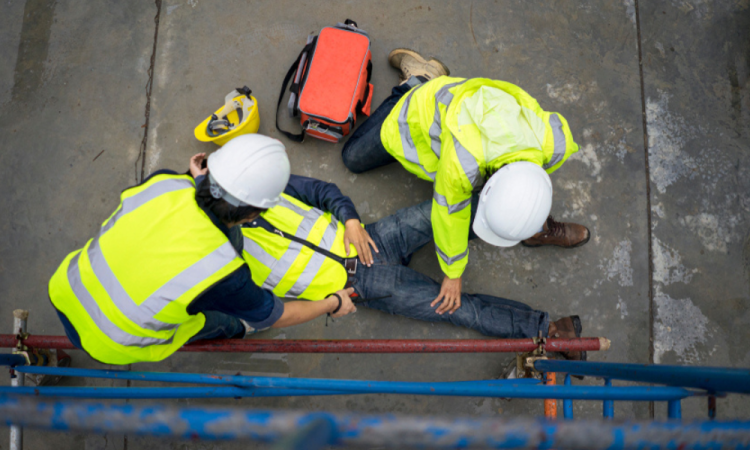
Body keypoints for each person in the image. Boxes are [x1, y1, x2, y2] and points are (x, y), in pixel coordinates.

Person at [48, 134, 356, 365]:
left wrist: (198, 182)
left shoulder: (165, 181)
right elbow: (278, 316)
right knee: (217, 318)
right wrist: (332, 303)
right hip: (112, 340)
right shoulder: (224, 270)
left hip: (67, 286)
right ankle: (238, 328)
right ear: (252, 216)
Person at [341, 48, 591, 316]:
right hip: (419, 112)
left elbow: (531, 184)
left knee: (512, 201)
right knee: (353, 158)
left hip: (469, 119)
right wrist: (453, 272)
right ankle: (419, 79)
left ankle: (536, 228)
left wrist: (529, 210)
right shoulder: (461, 164)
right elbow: (449, 215)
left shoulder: (555, 143)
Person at [239, 175, 586, 360]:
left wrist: (350, 221)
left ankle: (530, 225)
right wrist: (332, 303)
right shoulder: (223, 265)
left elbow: (320, 191)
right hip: (362, 286)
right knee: (457, 308)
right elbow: (268, 314)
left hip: (371, 238)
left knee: (449, 210)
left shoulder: (251, 185)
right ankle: (550, 331)